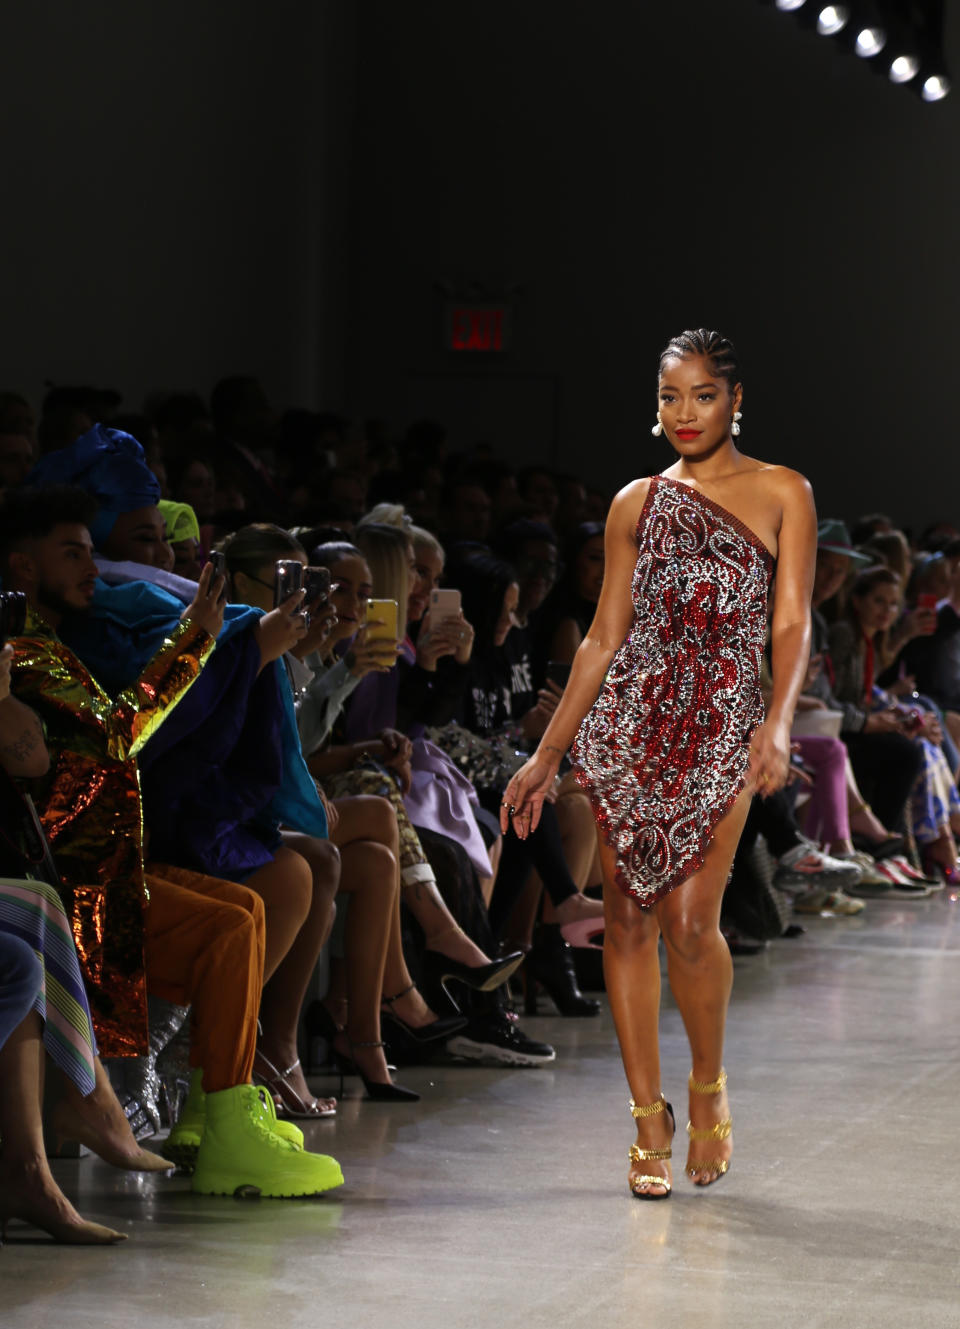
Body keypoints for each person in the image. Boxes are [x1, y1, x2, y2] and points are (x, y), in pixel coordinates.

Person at [501, 329, 817, 1197]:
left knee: (689, 922)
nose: (685, 412)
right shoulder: (635, 502)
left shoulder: (784, 491)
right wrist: (546, 754)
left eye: (704, 394)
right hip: (631, 721)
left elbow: (790, 623)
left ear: (737, 399)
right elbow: (605, 633)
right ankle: (647, 1116)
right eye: (671, 395)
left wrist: (779, 722)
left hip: (725, 719)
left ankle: (707, 1090)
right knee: (629, 917)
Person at [2, 486, 343, 1197]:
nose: (93, 570)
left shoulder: (53, 644)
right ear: (22, 567)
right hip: (71, 884)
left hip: (99, 868)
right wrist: (196, 640)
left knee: (245, 911)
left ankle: (215, 1108)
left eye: (94, 553)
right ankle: (222, 1117)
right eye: (73, 554)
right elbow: (120, 736)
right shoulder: (27, 655)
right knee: (227, 923)